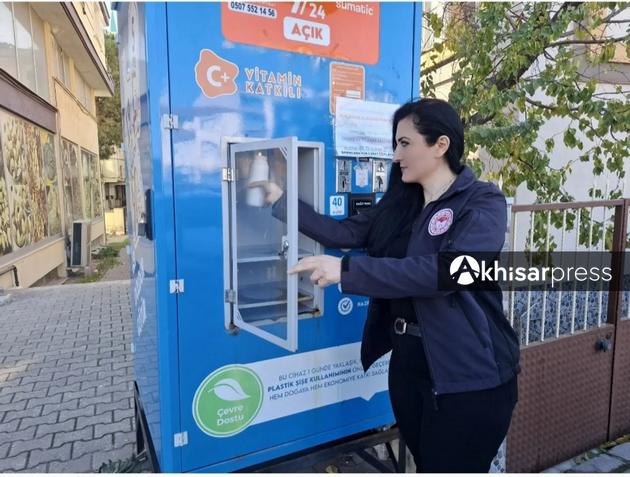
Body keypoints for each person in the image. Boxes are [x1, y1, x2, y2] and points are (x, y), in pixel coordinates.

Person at [256, 98, 520, 472]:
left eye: (405, 144)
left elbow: (449, 272)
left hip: (468, 378)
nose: (396, 155)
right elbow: (342, 233)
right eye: (395, 144)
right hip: (409, 369)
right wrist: (281, 200)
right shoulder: (401, 205)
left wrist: (348, 272)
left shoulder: (482, 202)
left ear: (441, 145)